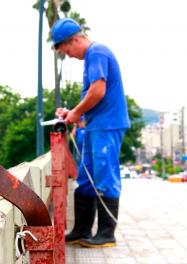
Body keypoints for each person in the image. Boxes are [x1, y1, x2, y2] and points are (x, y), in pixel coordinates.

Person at [51, 18, 130, 248]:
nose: (69, 55)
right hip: (94, 126)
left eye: (68, 50)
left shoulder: (97, 52)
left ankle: (107, 233)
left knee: (105, 177)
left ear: (75, 39)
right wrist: (73, 114)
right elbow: (92, 99)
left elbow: (98, 91)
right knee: (85, 179)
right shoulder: (91, 58)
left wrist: (76, 112)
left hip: (107, 126)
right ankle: (82, 229)